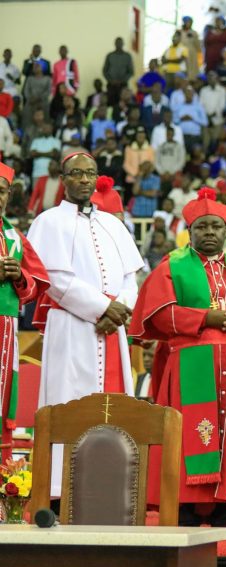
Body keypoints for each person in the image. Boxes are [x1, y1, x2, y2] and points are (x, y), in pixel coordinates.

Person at [129, 188, 226, 540]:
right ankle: (185, 511)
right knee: (189, 434)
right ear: (190, 231)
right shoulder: (172, 267)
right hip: (191, 363)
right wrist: (207, 318)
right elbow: (158, 314)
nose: (210, 233)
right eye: (202, 227)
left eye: (216, 226)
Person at [27, 151, 141, 498]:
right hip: (73, 327)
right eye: (76, 174)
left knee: (115, 404)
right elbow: (55, 279)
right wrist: (103, 309)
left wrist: (121, 308)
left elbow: (130, 277)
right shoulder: (48, 222)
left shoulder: (112, 224)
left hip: (113, 329)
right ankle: (62, 489)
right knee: (69, 400)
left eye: (89, 174)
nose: (84, 180)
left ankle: (113, 487)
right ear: (63, 180)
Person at [0, 159, 50, 454]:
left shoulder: (14, 236)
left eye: (3, 191)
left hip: (6, 328)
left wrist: (19, 275)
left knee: (4, 395)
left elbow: (37, 284)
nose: (0, 197)